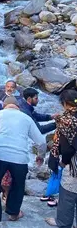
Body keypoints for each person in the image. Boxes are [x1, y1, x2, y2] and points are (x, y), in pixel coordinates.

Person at [0, 96, 46, 222]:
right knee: (18, 186)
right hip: (19, 158)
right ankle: (13, 213)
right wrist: (40, 156)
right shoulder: (26, 118)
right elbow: (41, 141)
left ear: (4, 106)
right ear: (18, 107)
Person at [45, 90, 77, 228]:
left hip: (74, 163)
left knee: (68, 193)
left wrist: (64, 162)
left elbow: (69, 147)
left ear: (64, 103)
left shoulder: (66, 119)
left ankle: (63, 222)